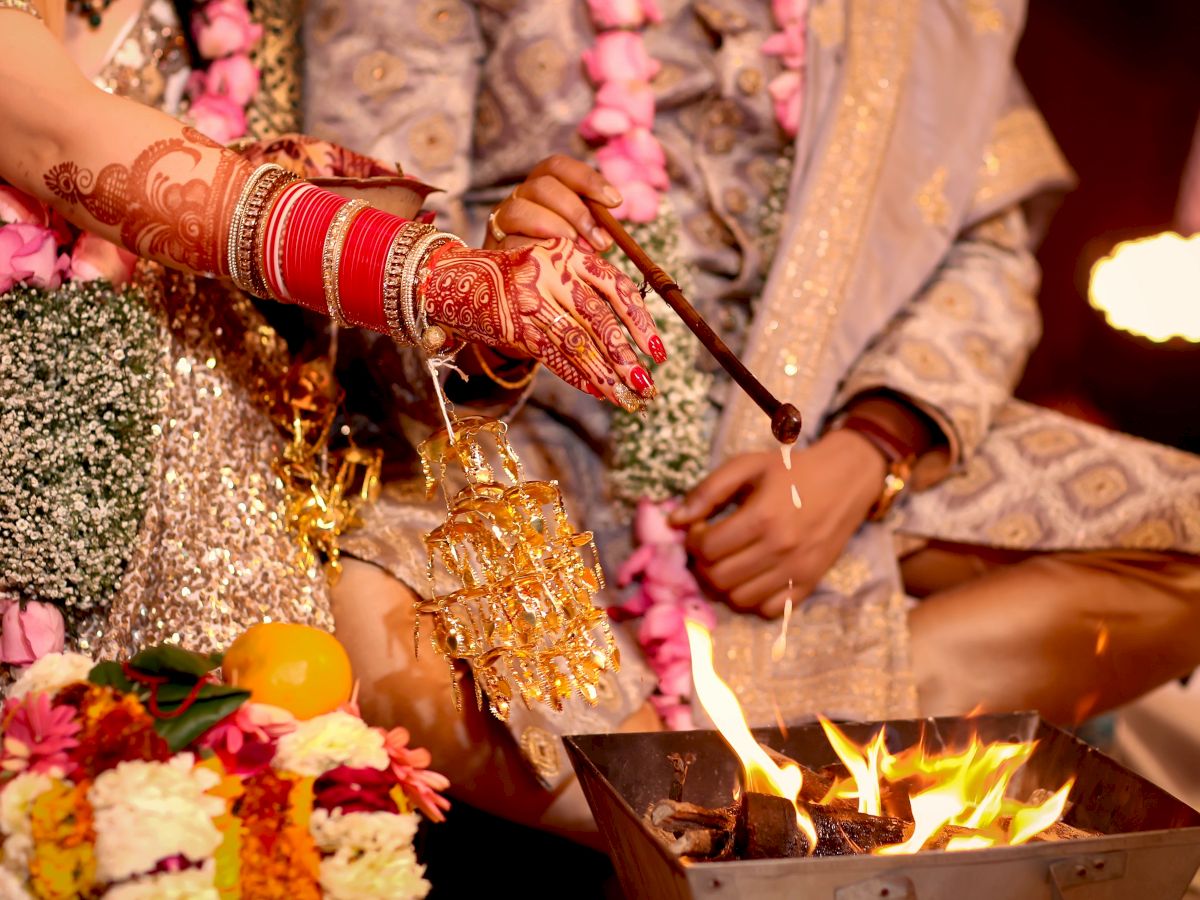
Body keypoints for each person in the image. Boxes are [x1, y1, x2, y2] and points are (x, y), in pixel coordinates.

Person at [305, 0, 1200, 817]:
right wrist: (489, 292)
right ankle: (773, 806)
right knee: (362, 616)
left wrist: (872, 451)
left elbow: (988, 252)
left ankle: (729, 787)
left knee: (1185, 542)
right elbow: (360, 247)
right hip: (533, 450)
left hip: (833, 437)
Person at [0, 0, 667, 837]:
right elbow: (77, 147)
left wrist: (482, 322)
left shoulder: (238, 19)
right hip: (45, 517)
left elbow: (316, 314)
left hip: (266, 522)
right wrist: (445, 277)